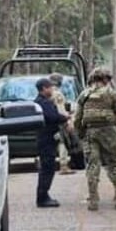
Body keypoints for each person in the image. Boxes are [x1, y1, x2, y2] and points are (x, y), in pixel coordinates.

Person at [75, 65, 116, 211]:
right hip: (109, 131)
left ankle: (93, 199)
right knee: (115, 163)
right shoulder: (112, 94)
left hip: (90, 132)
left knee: (93, 165)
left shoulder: (84, 94)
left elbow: (77, 118)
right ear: (106, 79)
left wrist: (80, 133)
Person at [33, 78, 68, 207]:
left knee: (48, 168)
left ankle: (44, 195)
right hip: (46, 139)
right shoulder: (42, 103)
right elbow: (52, 117)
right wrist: (65, 117)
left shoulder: (43, 102)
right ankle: (42, 197)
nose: (52, 90)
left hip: (47, 139)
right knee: (47, 169)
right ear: (43, 89)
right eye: (49, 88)